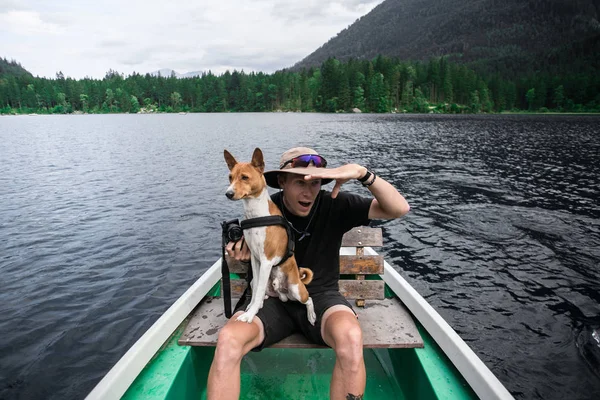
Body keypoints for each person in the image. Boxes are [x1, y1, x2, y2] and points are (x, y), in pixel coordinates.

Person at [208, 147, 410, 400]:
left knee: (351, 337)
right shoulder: (260, 208)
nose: (309, 191)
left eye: (316, 183)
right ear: (281, 182)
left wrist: (363, 174)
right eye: (299, 182)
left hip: (321, 297)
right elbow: (246, 237)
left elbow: (399, 208)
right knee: (227, 340)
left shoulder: (336, 204)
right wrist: (239, 249)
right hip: (271, 298)